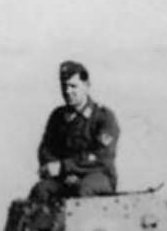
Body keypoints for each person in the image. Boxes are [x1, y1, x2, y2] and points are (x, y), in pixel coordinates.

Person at [29, 60, 120, 201]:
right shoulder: (57, 116)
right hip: (65, 178)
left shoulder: (104, 117)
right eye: (64, 86)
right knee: (40, 190)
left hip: (98, 176)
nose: (67, 91)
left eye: (73, 86)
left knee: (83, 190)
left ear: (86, 86)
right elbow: (46, 149)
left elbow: (100, 157)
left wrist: (64, 167)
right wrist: (61, 173)